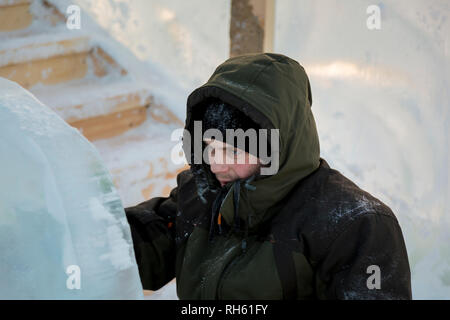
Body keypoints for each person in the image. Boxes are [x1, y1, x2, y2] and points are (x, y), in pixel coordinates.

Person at [125, 53, 412, 299]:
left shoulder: (355, 225)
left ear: (278, 147)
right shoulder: (204, 194)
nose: (216, 165)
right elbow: (140, 241)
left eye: (234, 151)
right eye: (210, 148)